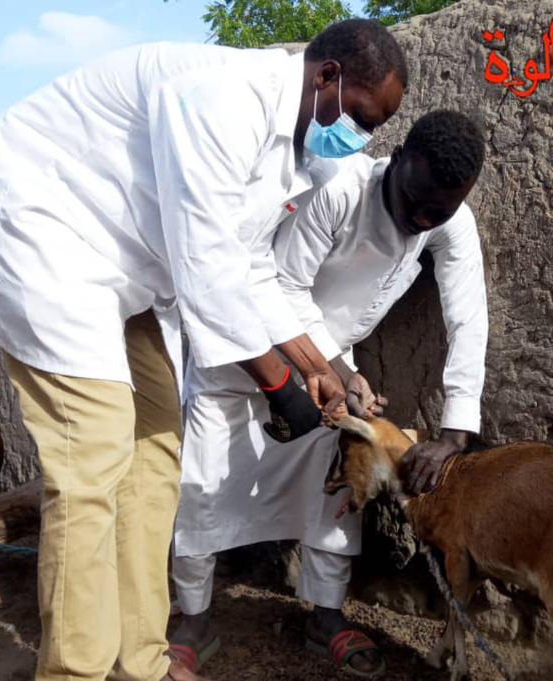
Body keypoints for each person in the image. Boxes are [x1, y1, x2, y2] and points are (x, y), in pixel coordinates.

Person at [0, 19, 407, 681]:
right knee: (94, 455)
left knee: (156, 449)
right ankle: (74, 670)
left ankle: (140, 659)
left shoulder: (299, 147)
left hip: (120, 264)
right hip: (41, 230)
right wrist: (279, 386)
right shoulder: (220, 98)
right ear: (327, 76)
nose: (361, 136)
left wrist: (320, 367)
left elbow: (247, 263)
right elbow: (207, 266)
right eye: (361, 116)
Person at [170, 109, 487, 678]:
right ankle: (191, 619)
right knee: (204, 487)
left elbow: (469, 320)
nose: (420, 219)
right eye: (413, 201)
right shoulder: (342, 188)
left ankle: (326, 617)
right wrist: (335, 367)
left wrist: (454, 433)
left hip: (330, 374)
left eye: (437, 211)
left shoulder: (449, 222)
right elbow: (280, 284)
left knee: (335, 496)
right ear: (397, 163)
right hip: (246, 348)